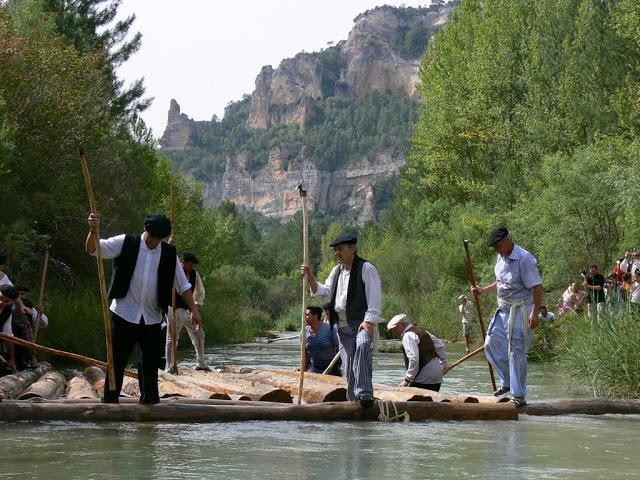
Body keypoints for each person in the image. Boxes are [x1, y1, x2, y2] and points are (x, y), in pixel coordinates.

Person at [86, 213, 202, 404]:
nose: (155, 242)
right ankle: (110, 404)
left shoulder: (168, 254)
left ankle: (149, 410)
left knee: (149, 367)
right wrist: (92, 230)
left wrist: (195, 311)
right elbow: (93, 249)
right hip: (123, 313)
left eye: (159, 239)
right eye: (152, 237)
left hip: (152, 317)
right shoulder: (125, 243)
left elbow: (183, 286)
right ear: (146, 230)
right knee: (116, 363)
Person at [301, 234, 383, 407]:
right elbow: (323, 293)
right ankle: (354, 400)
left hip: (361, 323)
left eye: (341, 249)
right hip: (342, 326)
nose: (337, 253)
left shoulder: (366, 268)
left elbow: (375, 297)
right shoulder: (336, 271)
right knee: (349, 367)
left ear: (353, 249)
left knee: (362, 347)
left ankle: (365, 395)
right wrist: (310, 277)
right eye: (336, 250)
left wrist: (369, 322)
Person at [472, 226, 543, 408]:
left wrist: (535, 313)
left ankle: (519, 395)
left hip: (521, 311)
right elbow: (501, 282)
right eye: (495, 247)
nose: (496, 250)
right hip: (503, 310)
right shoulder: (501, 257)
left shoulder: (524, 259)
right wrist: (482, 291)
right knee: (490, 344)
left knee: (516, 352)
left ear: (508, 240)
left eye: (498, 246)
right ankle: (508, 381)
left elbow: (537, 286)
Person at [165, 252, 209, 371]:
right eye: (189, 265)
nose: (191, 268)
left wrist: (196, 307)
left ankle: (201, 363)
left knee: (199, 334)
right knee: (172, 338)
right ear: (182, 262)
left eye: (192, 266)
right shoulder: (173, 271)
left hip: (189, 311)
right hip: (174, 310)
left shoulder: (194, 274)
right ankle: (170, 366)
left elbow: (200, 292)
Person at [387, 313, 447, 392]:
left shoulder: (407, 336)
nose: (393, 332)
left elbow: (413, 359)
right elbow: (440, 345)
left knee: (410, 401)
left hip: (424, 378)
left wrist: (407, 379)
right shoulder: (422, 331)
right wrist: (443, 366)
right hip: (437, 377)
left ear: (400, 325)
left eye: (394, 329)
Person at [304, 305, 340, 375]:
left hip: (331, 368)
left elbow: (338, 348)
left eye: (307, 315)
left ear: (315, 316)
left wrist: (338, 364)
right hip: (314, 368)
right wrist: (303, 369)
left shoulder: (329, 329)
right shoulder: (304, 332)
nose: (305, 317)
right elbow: (305, 355)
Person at [0, 284, 19, 373]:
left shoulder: (7, 311)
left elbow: (8, 336)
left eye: (5, 301)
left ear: (11, 302)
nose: (1, 302)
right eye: (1, 298)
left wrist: (12, 360)